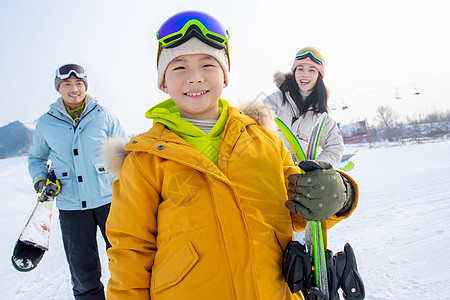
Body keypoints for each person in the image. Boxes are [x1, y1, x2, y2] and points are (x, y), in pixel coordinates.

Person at [104, 11, 358, 300]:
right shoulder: (145, 160)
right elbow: (130, 252)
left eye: (208, 64)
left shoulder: (265, 141)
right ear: (163, 82)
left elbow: (302, 211)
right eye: (179, 68)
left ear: (225, 76)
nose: (195, 77)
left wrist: (340, 194)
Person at [28, 63, 125, 300]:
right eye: (67, 84)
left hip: (109, 201)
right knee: (83, 271)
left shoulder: (104, 115)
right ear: (59, 89)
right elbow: (36, 158)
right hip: (72, 207)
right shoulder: (46, 123)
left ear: (85, 86)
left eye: (79, 84)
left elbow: (125, 153)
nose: (74, 89)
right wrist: (41, 181)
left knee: (126, 259)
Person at [263, 47, 344, 167]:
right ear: (294, 72)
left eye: (312, 70)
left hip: (303, 180)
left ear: (319, 76)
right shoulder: (274, 101)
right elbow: (256, 132)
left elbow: (334, 148)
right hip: (272, 172)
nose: (305, 74)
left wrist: (317, 168)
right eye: (300, 69)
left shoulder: (321, 116)